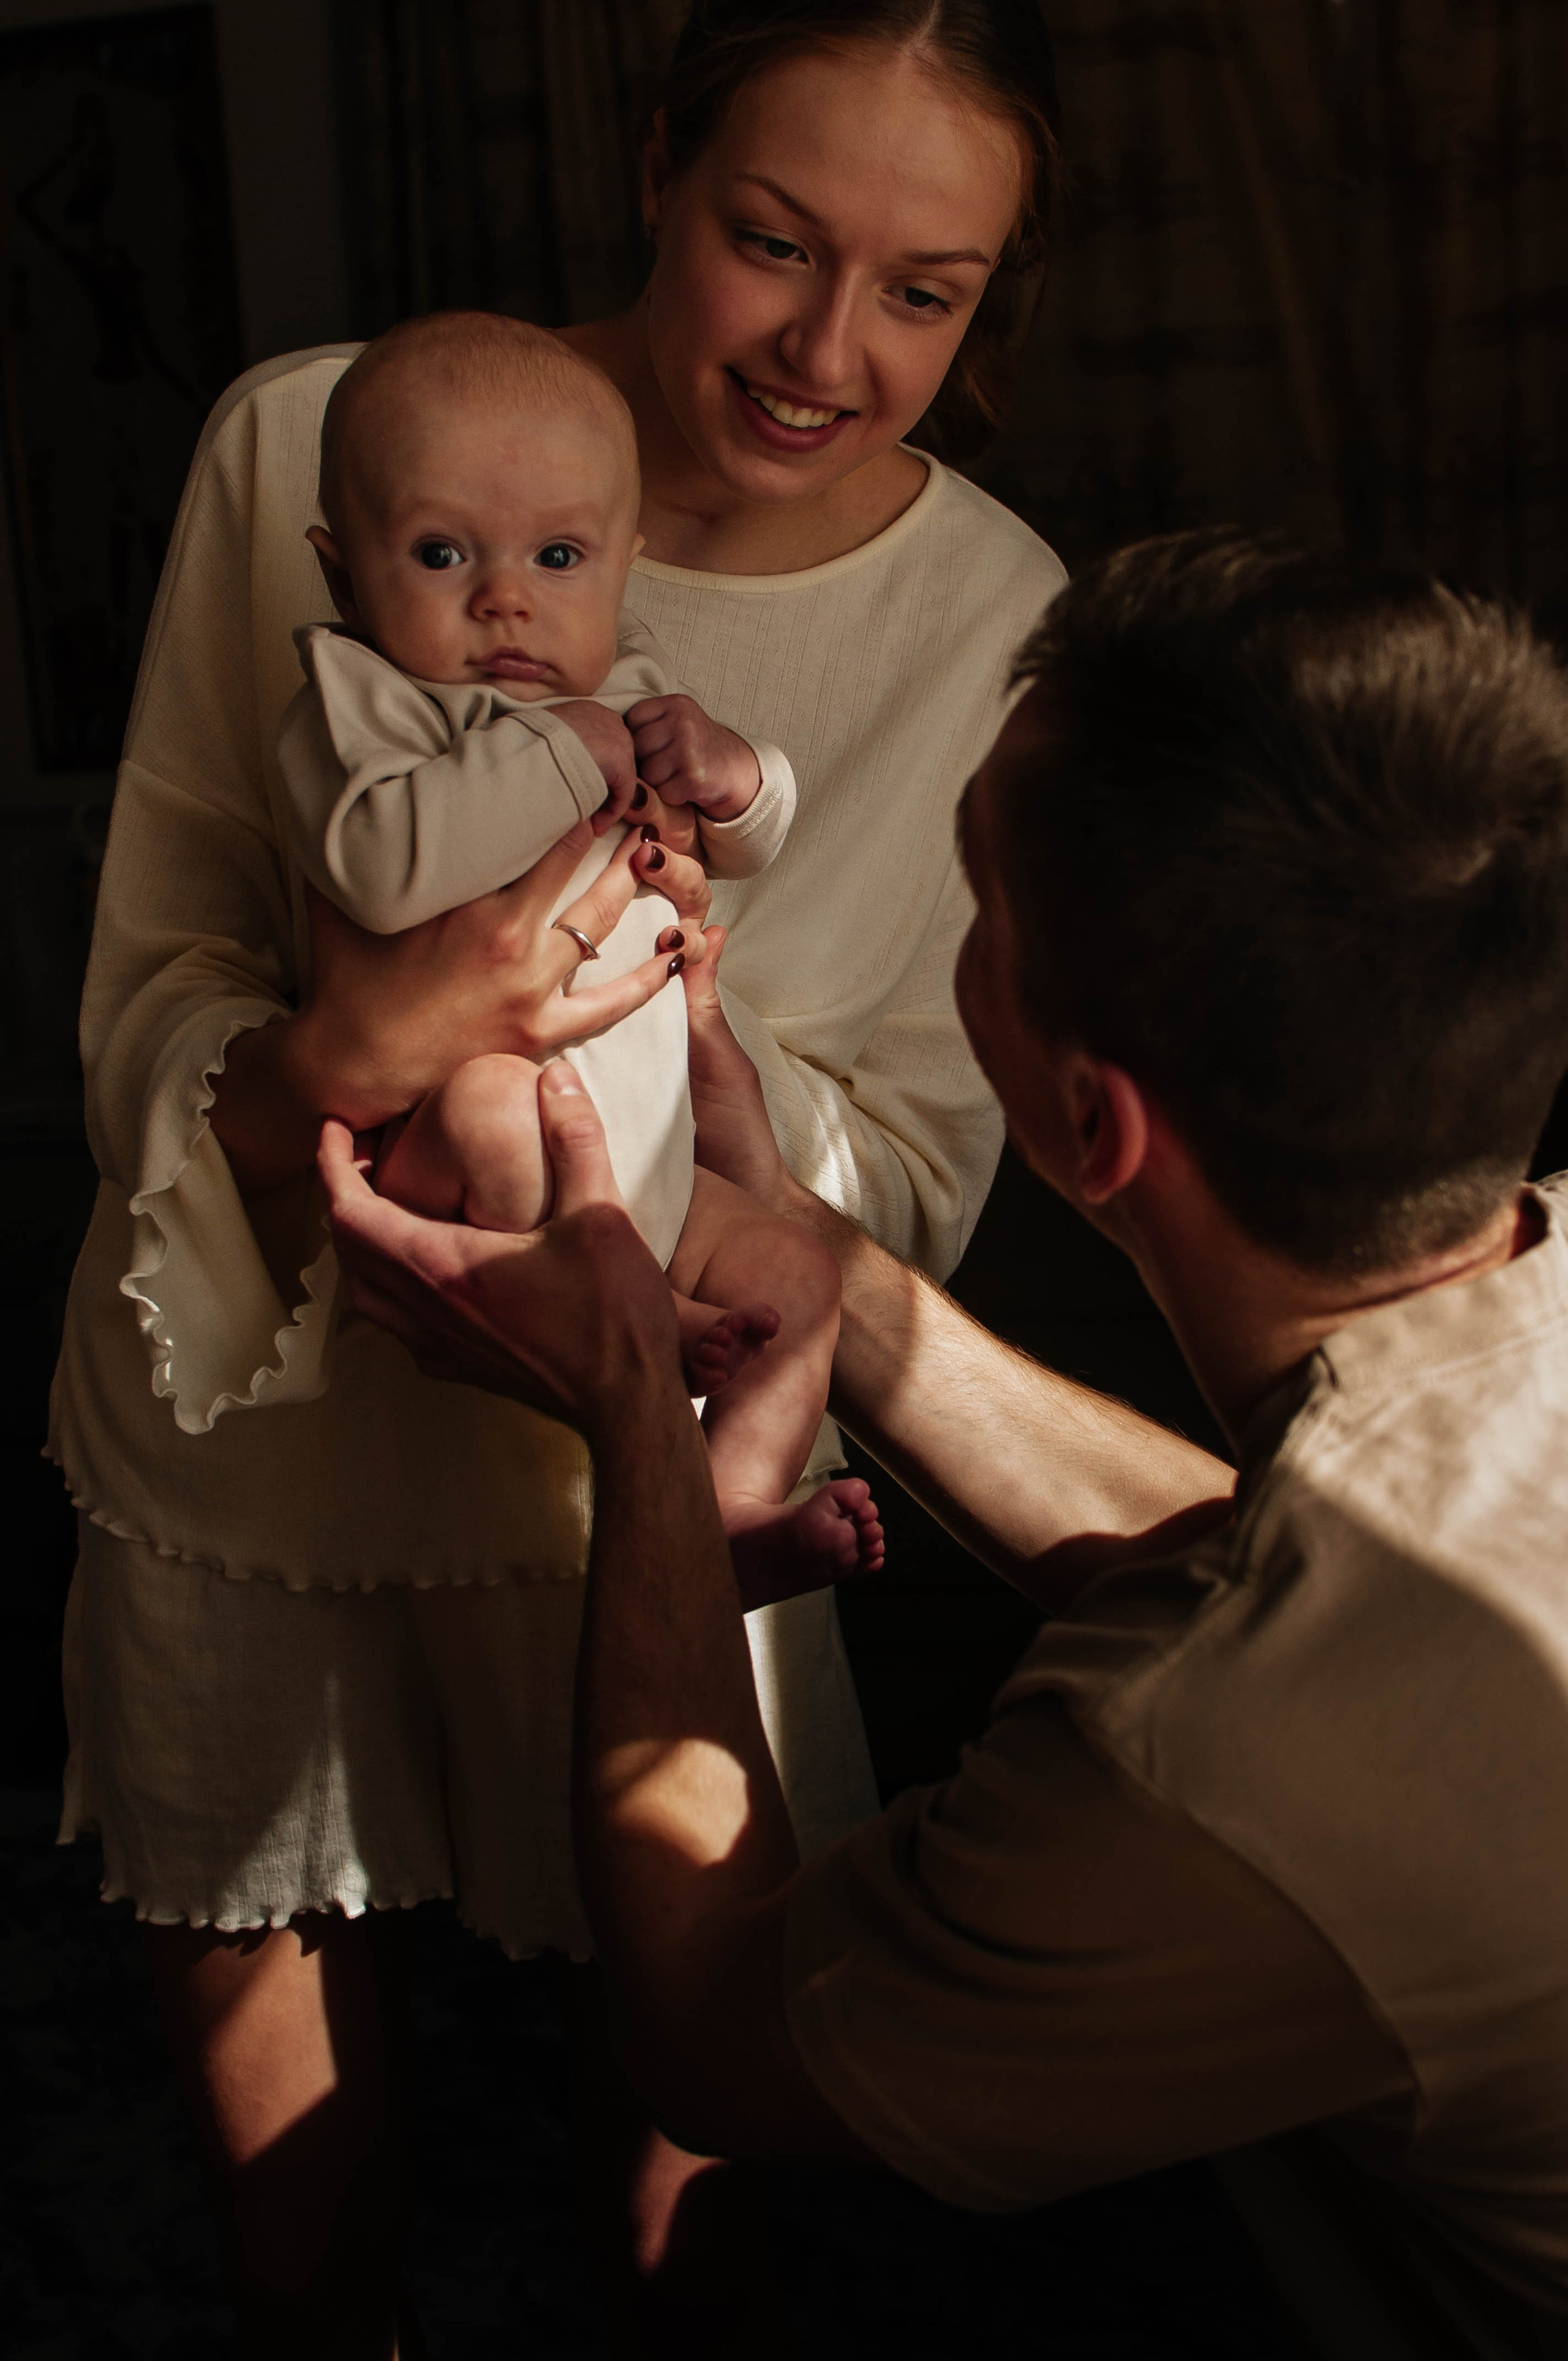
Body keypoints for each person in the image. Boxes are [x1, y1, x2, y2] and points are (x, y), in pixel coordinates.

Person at [48, 2, 1065, 2348]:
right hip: (274, 1335)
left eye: (925, 292)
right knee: (242, 1908)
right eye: (772, 240)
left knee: (703, 1974)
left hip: (663, 1389)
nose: (828, 348)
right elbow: (150, 985)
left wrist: (664, 1064)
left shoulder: (997, 614)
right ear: (653, 169)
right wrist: (354, 1047)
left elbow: (906, 1158)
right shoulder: (304, 439)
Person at [325, 531, 1568, 2336]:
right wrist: (833, 1275)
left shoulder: (1206, 1778)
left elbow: (706, 2032)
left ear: (1086, 1120)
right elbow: (1320, 1573)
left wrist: (635, 1422)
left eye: (978, 904)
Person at [282, 308, 883, 1586]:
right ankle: (637, 1338)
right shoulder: (360, 706)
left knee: (795, 1275)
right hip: (473, 1133)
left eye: (558, 555)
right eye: (441, 552)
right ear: (344, 576)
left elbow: (744, 844)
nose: (504, 596)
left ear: (624, 565)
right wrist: (565, 750)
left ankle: (725, 1513)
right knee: (500, 1110)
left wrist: (735, 777)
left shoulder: (622, 687)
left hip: (655, 1153)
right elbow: (383, 871)